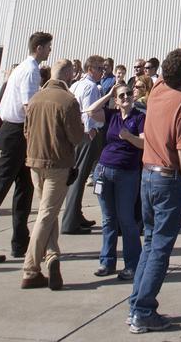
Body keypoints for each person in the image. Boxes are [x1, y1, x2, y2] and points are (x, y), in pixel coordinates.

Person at [128, 14, 181, 335]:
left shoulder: (158, 89)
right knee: (161, 247)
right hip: (168, 177)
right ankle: (144, 310)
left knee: (150, 244)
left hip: (147, 175)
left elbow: (176, 55)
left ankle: (136, 304)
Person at [0, 29, 52, 263]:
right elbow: (29, 108)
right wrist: (41, 135)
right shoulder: (30, 71)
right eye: (47, 47)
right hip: (17, 134)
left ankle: (20, 242)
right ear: (39, 48)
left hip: (14, 132)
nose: (49, 51)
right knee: (0, 189)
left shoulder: (23, 69)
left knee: (24, 189)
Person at [21, 57, 84, 290]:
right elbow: (76, 137)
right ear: (68, 75)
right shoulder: (68, 101)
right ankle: (30, 268)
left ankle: (52, 256)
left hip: (34, 162)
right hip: (58, 164)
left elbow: (26, 130)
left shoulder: (35, 98)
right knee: (47, 214)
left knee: (47, 212)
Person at [94, 81, 146, 281]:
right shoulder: (112, 116)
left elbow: (144, 142)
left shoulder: (139, 117)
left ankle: (132, 264)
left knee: (126, 220)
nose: (126, 97)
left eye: (129, 94)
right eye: (122, 95)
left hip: (126, 173)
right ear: (116, 101)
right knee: (108, 219)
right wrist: (108, 95)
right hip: (104, 170)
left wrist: (129, 137)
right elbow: (91, 111)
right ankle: (107, 261)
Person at [60, 54, 106, 233]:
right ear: (90, 69)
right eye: (99, 68)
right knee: (79, 177)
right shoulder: (90, 87)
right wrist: (91, 130)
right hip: (87, 135)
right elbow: (89, 110)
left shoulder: (76, 84)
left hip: (77, 134)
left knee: (77, 174)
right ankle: (70, 221)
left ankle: (76, 215)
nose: (102, 72)